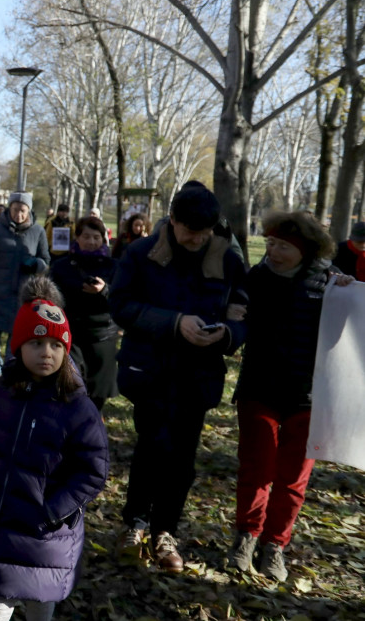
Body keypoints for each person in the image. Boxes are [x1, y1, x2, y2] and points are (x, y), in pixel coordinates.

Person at [0, 297, 109, 621]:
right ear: (18, 346)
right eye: (37, 342)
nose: (47, 352)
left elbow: (93, 472)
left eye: (56, 345)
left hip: (46, 538)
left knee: (39, 609)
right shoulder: (5, 393)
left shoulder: (77, 408)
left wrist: (53, 512)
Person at [110, 184, 247, 572]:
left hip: (198, 375)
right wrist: (173, 323)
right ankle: (134, 523)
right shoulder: (140, 254)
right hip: (150, 371)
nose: (197, 239)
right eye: (190, 231)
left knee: (183, 458)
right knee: (151, 446)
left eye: (205, 232)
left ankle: (165, 531)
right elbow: (119, 305)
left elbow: (244, 311)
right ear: (172, 221)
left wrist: (228, 335)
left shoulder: (229, 260)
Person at [226, 211, 354, 582]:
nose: (274, 251)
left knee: (293, 479)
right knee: (257, 469)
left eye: (283, 245)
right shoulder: (256, 279)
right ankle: (245, 538)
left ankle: (274, 546)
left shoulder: (329, 282)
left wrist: (346, 292)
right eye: (269, 243)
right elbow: (238, 320)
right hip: (259, 390)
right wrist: (234, 316)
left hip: (308, 397)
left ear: (305, 249)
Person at [49, 216, 120, 410]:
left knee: (97, 392)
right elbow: (52, 294)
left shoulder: (113, 266)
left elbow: (122, 296)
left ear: (103, 239)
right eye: (86, 236)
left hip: (103, 335)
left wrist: (104, 290)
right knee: (71, 385)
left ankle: (92, 424)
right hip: (72, 333)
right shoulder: (62, 266)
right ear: (77, 237)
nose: (91, 242)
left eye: (96, 237)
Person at [0, 191, 50, 375]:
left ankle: (11, 377)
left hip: (23, 297)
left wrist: (36, 264)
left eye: (23, 210)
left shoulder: (38, 231)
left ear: (29, 211)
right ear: (9, 208)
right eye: (15, 209)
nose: (19, 214)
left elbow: (46, 260)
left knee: (17, 342)